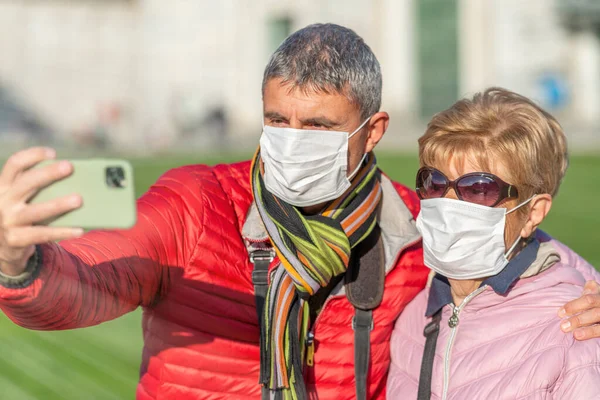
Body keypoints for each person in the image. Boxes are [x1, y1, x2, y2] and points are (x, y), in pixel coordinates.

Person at [0, 25, 597, 400]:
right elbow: (95, 279)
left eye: (317, 126)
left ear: (372, 131)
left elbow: (515, 256)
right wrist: (21, 268)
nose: (291, 140)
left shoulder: (417, 225)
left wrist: (591, 292)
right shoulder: (198, 201)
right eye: (277, 121)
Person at [387, 88, 600, 399]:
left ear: (532, 212)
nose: (448, 204)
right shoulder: (410, 319)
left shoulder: (575, 329)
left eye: (478, 188)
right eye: (434, 182)